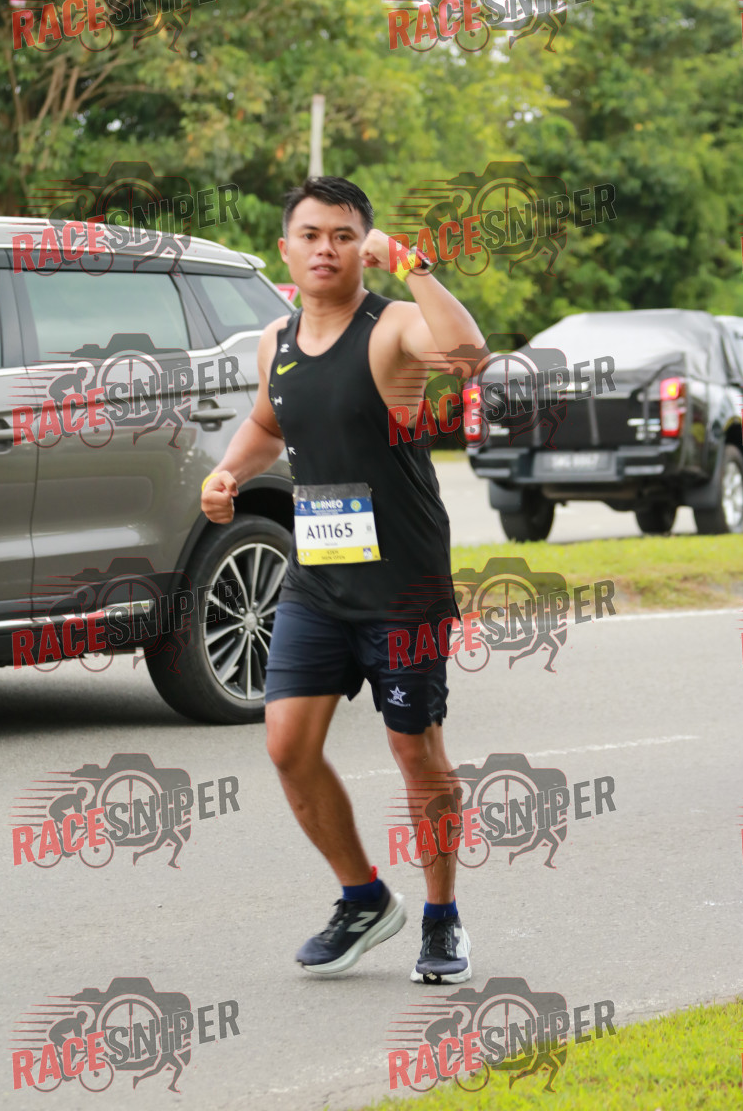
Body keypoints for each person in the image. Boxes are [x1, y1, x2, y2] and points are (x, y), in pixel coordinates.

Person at [201, 176, 486, 982]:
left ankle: (442, 917)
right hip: (317, 582)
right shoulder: (276, 340)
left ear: (365, 246)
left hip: (404, 585)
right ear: (286, 249)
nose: (326, 248)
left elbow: (468, 356)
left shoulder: (392, 327)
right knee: (287, 744)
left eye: (343, 235)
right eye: (311, 234)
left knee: (414, 751)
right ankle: (363, 898)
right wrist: (228, 473)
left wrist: (416, 266)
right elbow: (268, 422)